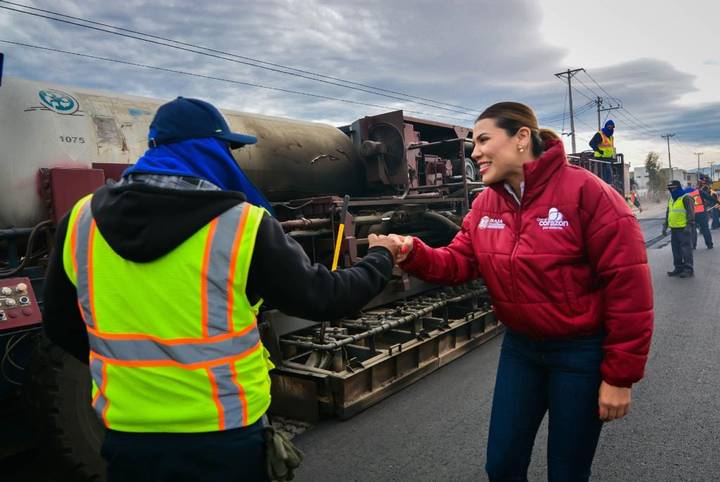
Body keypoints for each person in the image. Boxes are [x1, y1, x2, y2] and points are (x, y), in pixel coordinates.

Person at [42, 97, 401, 481]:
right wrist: (380, 257)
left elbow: (61, 326)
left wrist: (127, 373)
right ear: (208, 150)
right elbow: (327, 297)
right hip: (225, 435)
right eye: (228, 149)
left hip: (129, 437)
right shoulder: (241, 225)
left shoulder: (80, 221)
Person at [379, 102, 653, 481]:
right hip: (521, 351)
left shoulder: (589, 194)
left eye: (484, 140)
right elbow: (459, 262)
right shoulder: (486, 203)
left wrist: (620, 377)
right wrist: (412, 252)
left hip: (580, 354)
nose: (475, 152)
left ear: (522, 138)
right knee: (502, 465)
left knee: (567, 472)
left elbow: (630, 289)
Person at [663, 180, 695, 277]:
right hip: (674, 228)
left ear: (677, 187)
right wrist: (665, 226)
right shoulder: (671, 199)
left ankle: (688, 269)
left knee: (686, 249)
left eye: (672, 188)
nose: (671, 190)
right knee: (676, 250)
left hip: (683, 228)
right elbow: (668, 213)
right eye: (670, 189)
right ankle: (678, 268)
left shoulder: (686, 197)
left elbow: (691, 213)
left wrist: (688, 226)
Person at [687, 181, 713, 249]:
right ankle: (709, 244)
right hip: (701, 213)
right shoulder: (699, 192)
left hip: (692, 214)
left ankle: (693, 245)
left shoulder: (686, 193)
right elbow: (708, 197)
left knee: (693, 230)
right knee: (705, 229)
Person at [589, 119, 615, 184]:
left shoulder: (611, 137)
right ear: (606, 126)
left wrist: (614, 156)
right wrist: (599, 151)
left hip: (608, 159)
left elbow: (611, 147)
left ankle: (608, 186)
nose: (610, 128)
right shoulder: (600, 134)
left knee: (609, 175)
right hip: (600, 159)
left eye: (612, 127)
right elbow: (591, 143)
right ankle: (606, 186)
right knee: (604, 176)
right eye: (609, 127)